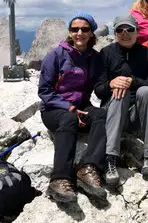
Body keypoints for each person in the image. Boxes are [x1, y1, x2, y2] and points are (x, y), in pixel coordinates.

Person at [38, 12, 107, 203]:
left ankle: (88, 169)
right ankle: (59, 179)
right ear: (69, 32)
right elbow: (44, 91)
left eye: (84, 29)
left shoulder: (94, 58)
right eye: (74, 29)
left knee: (100, 115)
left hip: (81, 106)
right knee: (68, 119)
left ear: (92, 33)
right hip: (53, 109)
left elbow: (101, 83)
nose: (79, 33)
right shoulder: (56, 55)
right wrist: (68, 107)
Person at [94, 15, 148, 183]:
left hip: (138, 115)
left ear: (137, 31)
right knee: (120, 91)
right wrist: (111, 84)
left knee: (146, 91)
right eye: (120, 30)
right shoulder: (106, 54)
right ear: (115, 33)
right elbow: (98, 91)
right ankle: (110, 159)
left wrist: (134, 82)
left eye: (129, 29)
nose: (125, 33)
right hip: (113, 112)